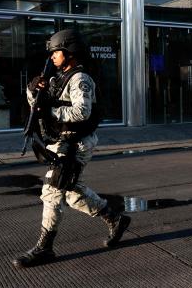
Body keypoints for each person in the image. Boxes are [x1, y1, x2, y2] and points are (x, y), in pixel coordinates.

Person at [12, 28, 131, 268]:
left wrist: (51, 111)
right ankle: (115, 219)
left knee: (52, 192)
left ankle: (45, 248)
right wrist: (32, 90)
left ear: (70, 52)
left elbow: (81, 112)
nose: (53, 56)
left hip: (76, 144)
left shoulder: (80, 79)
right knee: (72, 193)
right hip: (60, 141)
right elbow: (38, 106)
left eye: (57, 51)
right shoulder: (57, 78)